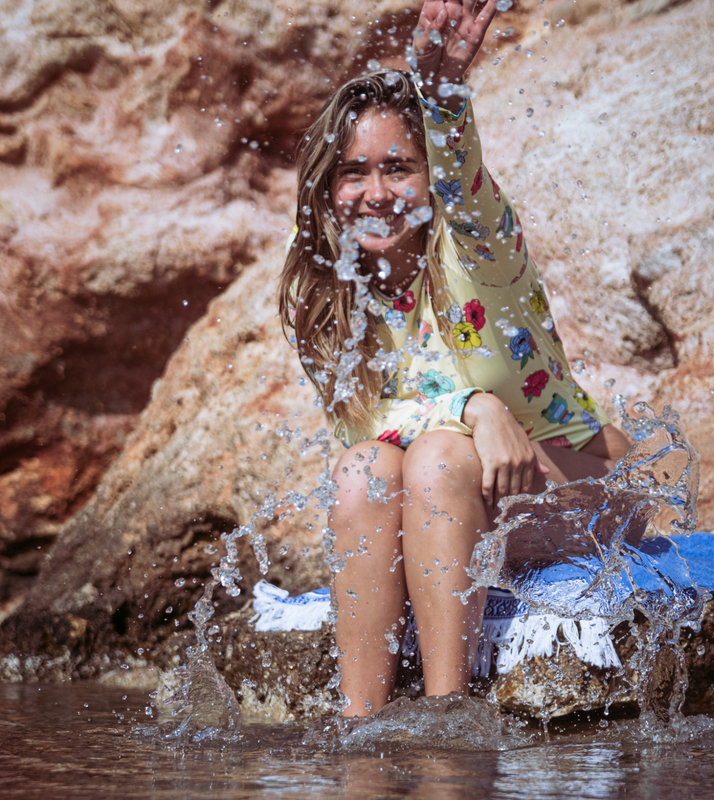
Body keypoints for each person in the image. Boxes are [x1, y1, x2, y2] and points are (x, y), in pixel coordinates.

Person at [278, 0, 630, 717]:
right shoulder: (332, 304)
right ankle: (361, 722)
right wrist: (476, 406)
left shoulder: (480, 255)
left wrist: (441, 98)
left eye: (399, 168)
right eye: (353, 172)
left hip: (580, 485)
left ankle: (447, 713)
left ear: (428, 176)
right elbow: (372, 440)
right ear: (326, 188)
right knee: (362, 471)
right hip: (459, 498)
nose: (375, 194)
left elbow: (467, 191)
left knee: (437, 458)